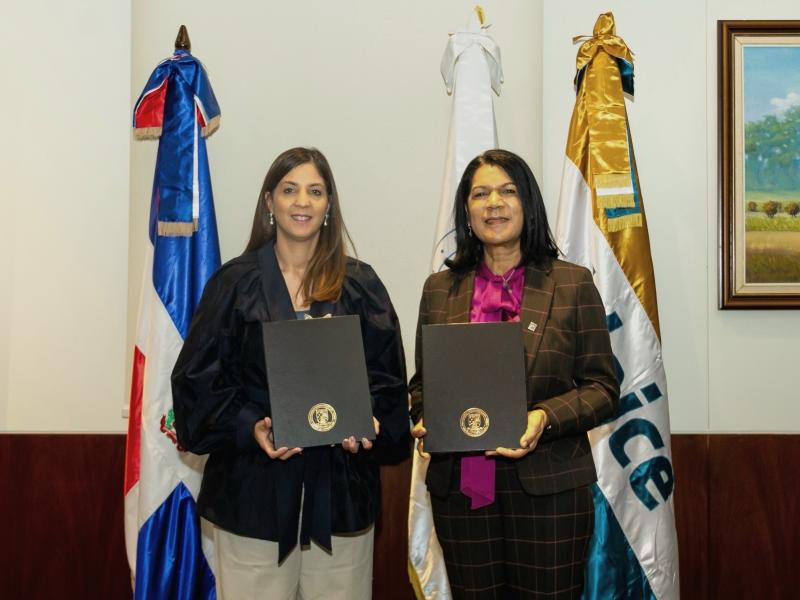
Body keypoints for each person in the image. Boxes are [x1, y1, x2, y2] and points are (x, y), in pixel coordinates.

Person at [172, 147, 409, 599]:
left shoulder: (361, 286)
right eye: (289, 190)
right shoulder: (233, 284)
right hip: (252, 499)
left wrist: (369, 424)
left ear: (329, 204)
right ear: (269, 201)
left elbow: (388, 383)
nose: (302, 201)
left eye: (315, 191)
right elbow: (196, 384)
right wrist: (251, 426)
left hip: (341, 499)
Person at [409, 149, 619, 599]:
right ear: (466, 211)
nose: (494, 204)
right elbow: (423, 384)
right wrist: (425, 416)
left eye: (507, 191)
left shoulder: (572, 283)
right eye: (480, 194)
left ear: (527, 203)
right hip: (461, 493)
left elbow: (603, 388)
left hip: (550, 492)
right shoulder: (439, 289)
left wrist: (543, 417)